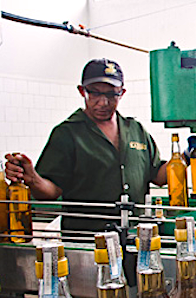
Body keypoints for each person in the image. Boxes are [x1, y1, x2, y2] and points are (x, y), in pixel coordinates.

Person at [5, 58, 168, 232]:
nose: (103, 102)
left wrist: (187, 156)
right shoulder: (68, 133)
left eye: (111, 94)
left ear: (122, 93)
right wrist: (33, 180)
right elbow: (51, 191)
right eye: (95, 93)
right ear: (82, 91)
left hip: (134, 237)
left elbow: (158, 175)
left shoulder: (136, 130)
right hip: (87, 239)